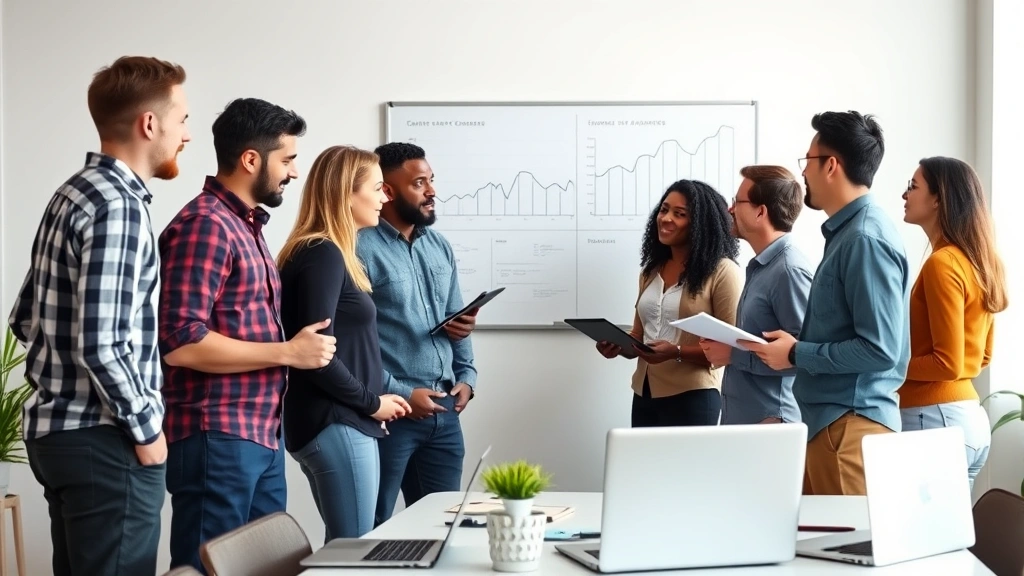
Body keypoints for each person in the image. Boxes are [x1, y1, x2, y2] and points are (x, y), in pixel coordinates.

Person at [7, 55, 189, 576]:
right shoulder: (120, 206)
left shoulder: (73, 193)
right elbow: (103, 344)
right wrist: (147, 431)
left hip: (60, 437)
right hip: (105, 439)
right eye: (182, 120)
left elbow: (26, 318)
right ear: (149, 124)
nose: (186, 135)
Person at [158, 98, 335, 572]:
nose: (294, 172)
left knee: (268, 566)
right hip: (217, 434)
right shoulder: (206, 226)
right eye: (288, 159)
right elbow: (181, 341)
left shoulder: (246, 226)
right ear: (251, 159)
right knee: (203, 567)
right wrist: (289, 352)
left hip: (258, 433)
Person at [742, 111, 910, 496]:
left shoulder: (865, 239)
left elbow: (880, 349)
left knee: (847, 552)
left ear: (831, 165)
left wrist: (798, 353)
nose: (803, 174)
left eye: (808, 162)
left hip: (849, 429)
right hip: (832, 426)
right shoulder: (849, 234)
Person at [278, 145, 412, 540]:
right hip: (335, 421)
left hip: (342, 420)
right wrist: (372, 404)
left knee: (346, 547)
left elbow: (346, 350)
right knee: (352, 552)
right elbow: (315, 353)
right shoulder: (323, 253)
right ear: (345, 193)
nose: (386, 197)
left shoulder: (332, 253)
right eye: (377, 187)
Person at [356, 142, 479, 525]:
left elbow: (458, 321)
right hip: (388, 415)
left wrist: (468, 378)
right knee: (373, 528)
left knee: (442, 528)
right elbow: (354, 346)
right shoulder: (358, 248)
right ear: (387, 191)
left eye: (431, 181)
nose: (432, 192)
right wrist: (406, 393)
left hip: (445, 414)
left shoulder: (439, 246)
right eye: (419, 183)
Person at [595, 179, 742, 427]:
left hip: (693, 396)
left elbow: (732, 348)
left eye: (679, 214)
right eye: (664, 210)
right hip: (645, 393)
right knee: (644, 466)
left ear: (699, 224)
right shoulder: (649, 272)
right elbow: (639, 337)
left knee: (688, 467)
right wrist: (620, 346)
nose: (666, 218)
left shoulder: (722, 271)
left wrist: (676, 352)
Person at [898, 156, 1007, 491]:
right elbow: (981, 358)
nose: (904, 195)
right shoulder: (980, 262)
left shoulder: (942, 264)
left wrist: (889, 368)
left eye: (913, 186)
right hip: (968, 420)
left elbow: (947, 363)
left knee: (920, 539)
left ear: (938, 199)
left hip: (933, 420)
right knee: (943, 539)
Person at [701, 166, 813, 425]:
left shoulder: (789, 270)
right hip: (747, 419)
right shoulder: (763, 266)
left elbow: (807, 357)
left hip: (771, 422)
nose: (730, 210)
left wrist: (733, 354)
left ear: (760, 212)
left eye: (736, 202)